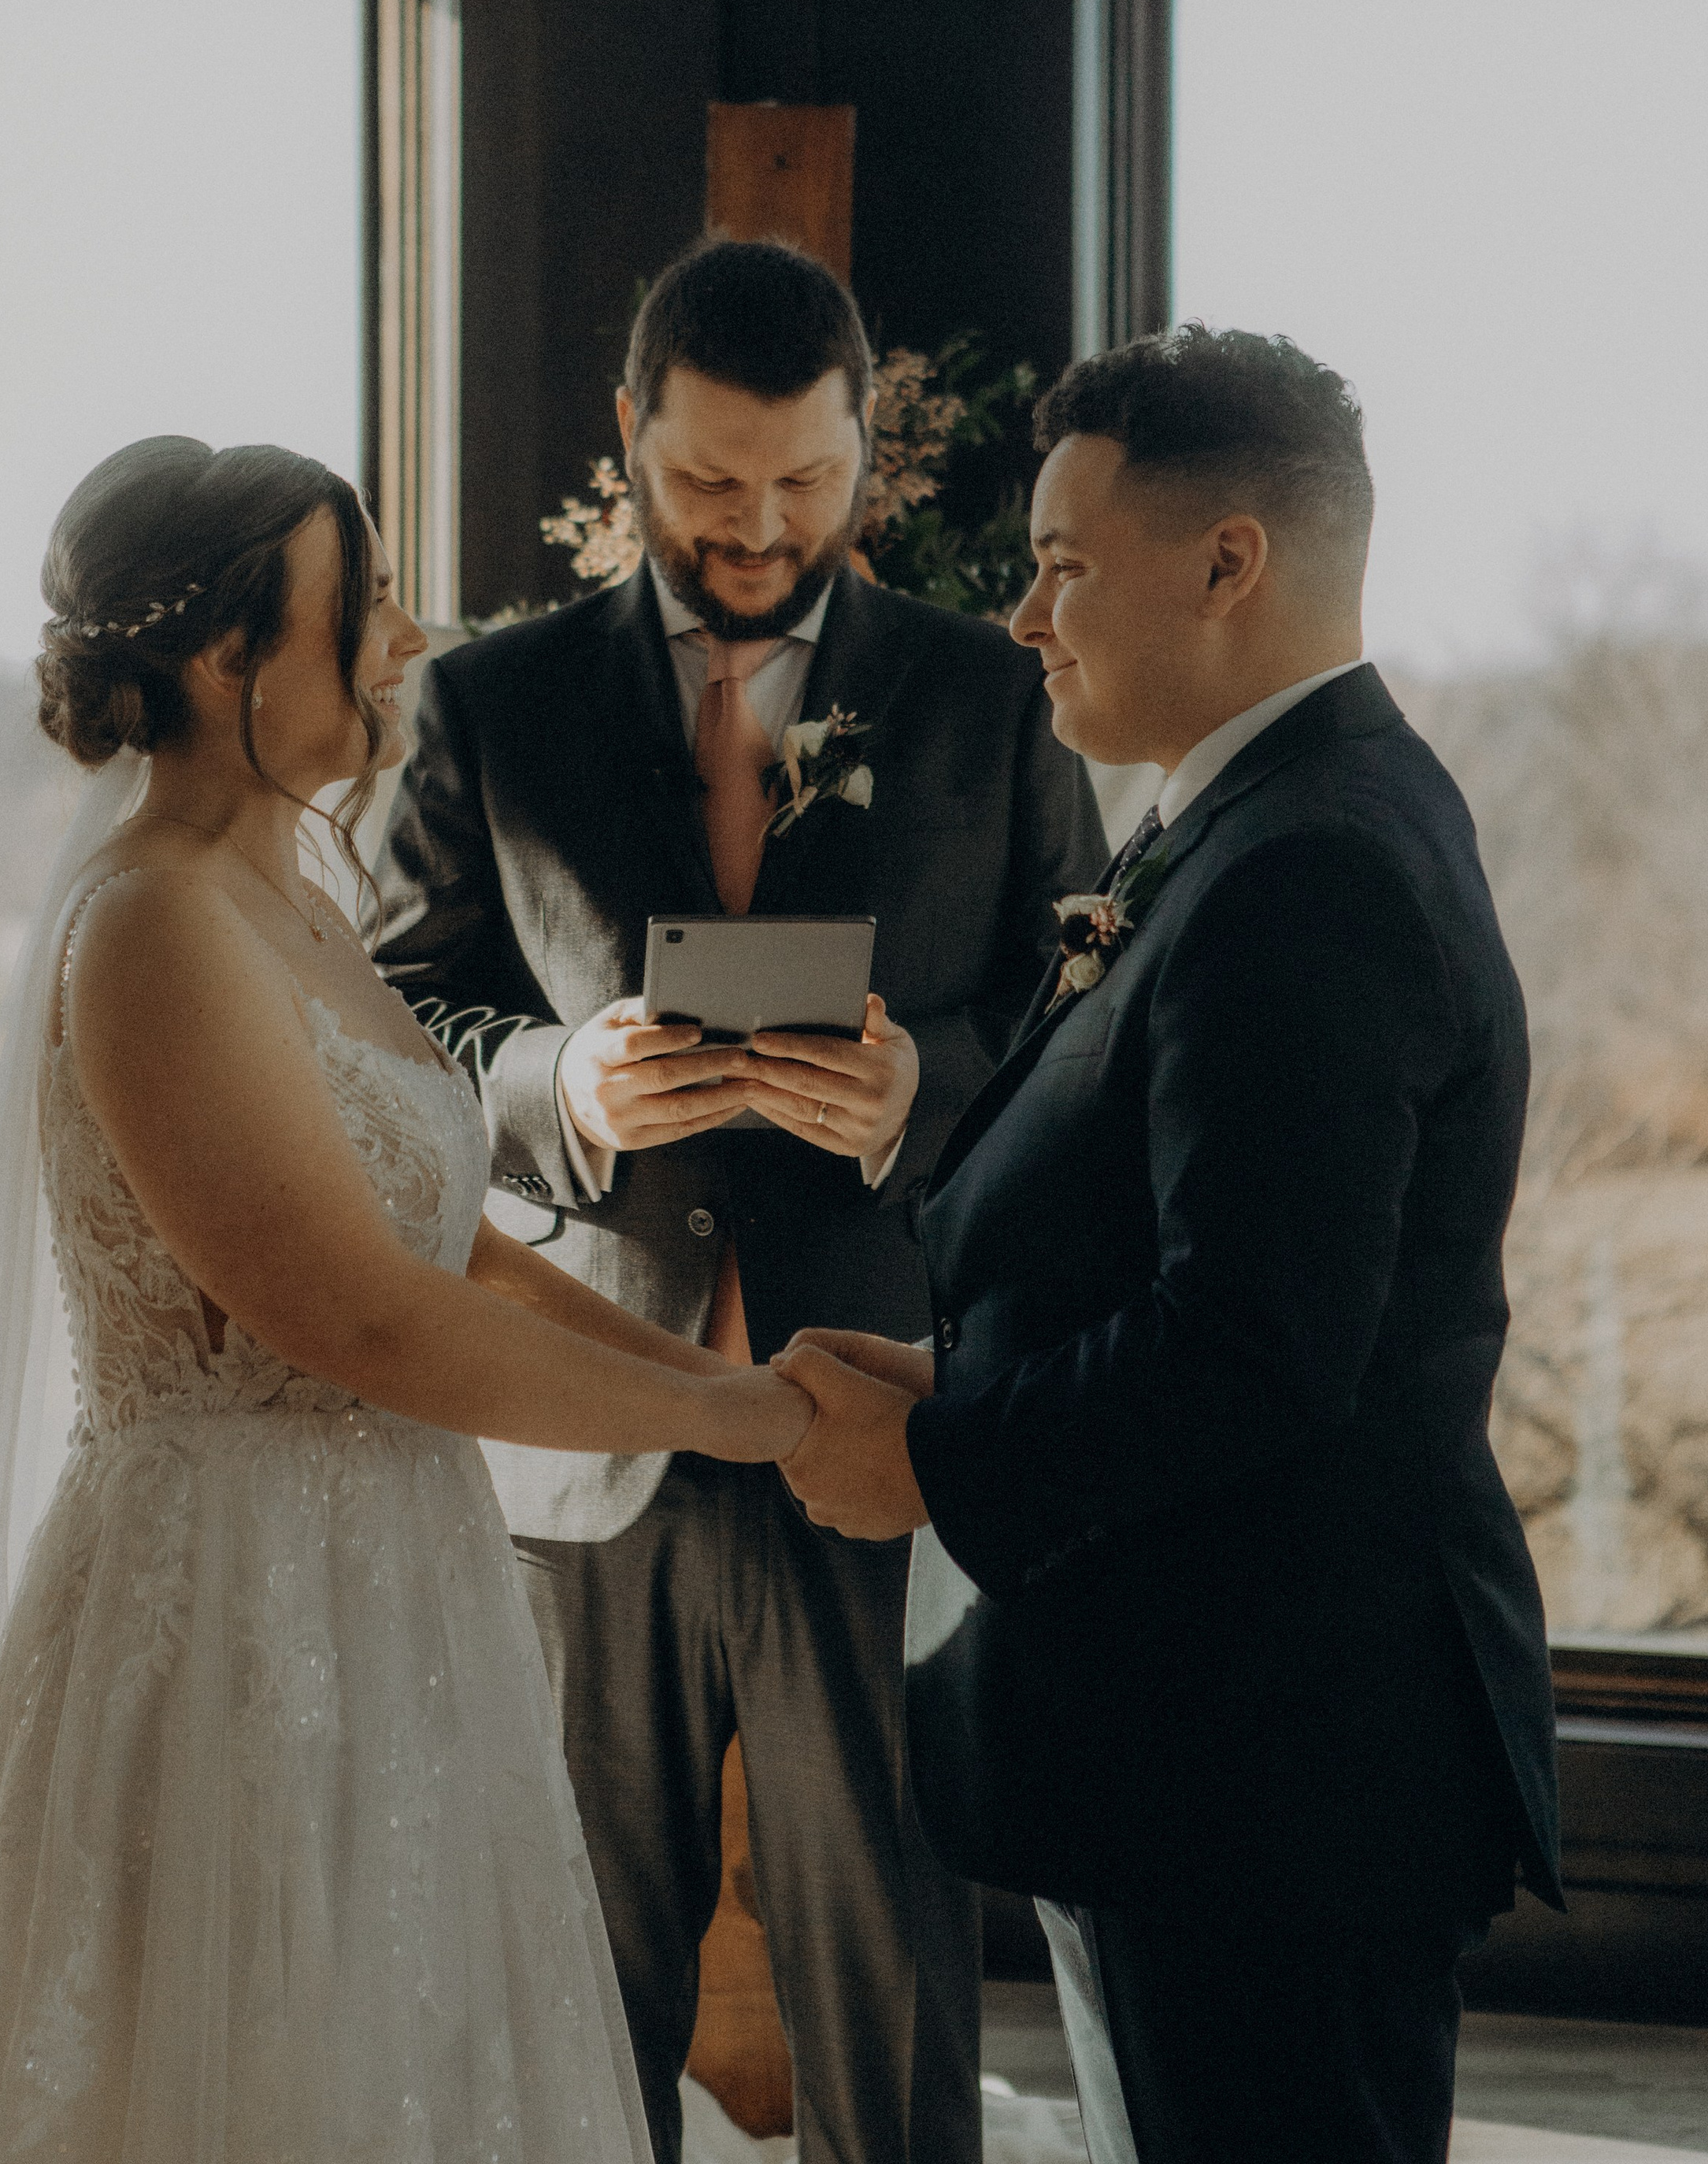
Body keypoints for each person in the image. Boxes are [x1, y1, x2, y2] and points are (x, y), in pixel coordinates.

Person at [0, 436, 808, 2164]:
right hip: (236, 1612)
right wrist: (734, 1419)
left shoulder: (297, 901)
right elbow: (362, 1322)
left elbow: (449, 1246)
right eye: (365, 602)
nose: (404, 638)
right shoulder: (156, 926)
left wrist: (728, 1383)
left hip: (397, 1583)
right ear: (224, 661)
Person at [773, 326, 1563, 2164]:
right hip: (1194, 1751)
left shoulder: (1313, 868)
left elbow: (1257, 1340)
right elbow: (1149, 1245)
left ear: (1226, 563)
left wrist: (941, 1455)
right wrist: (955, 1367)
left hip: (1270, 1779)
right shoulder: (1249, 821)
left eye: (1060, 562)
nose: (1025, 615)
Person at [375, 238, 1107, 2164]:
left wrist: (917, 1089)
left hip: (854, 1415)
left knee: (886, 1965)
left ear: (867, 447)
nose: (759, 527)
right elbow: (375, 1014)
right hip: (574, 1431)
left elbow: (1080, 1007)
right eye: (707, 484)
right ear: (628, 437)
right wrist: (553, 1084)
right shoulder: (487, 707)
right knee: (566, 1965)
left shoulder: (987, 697)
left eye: (803, 481)